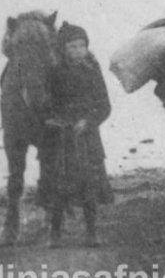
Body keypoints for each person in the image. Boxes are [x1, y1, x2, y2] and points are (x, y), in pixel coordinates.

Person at [41, 22, 114, 248]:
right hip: (60, 136)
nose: (78, 51)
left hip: (87, 136)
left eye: (82, 46)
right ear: (63, 49)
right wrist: (52, 120)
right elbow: (44, 105)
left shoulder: (92, 69)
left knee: (90, 185)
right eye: (72, 46)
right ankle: (54, 233)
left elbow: (104, 106)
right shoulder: (53, 71)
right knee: (58, 185)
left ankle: (92, 232)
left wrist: (88, 122)